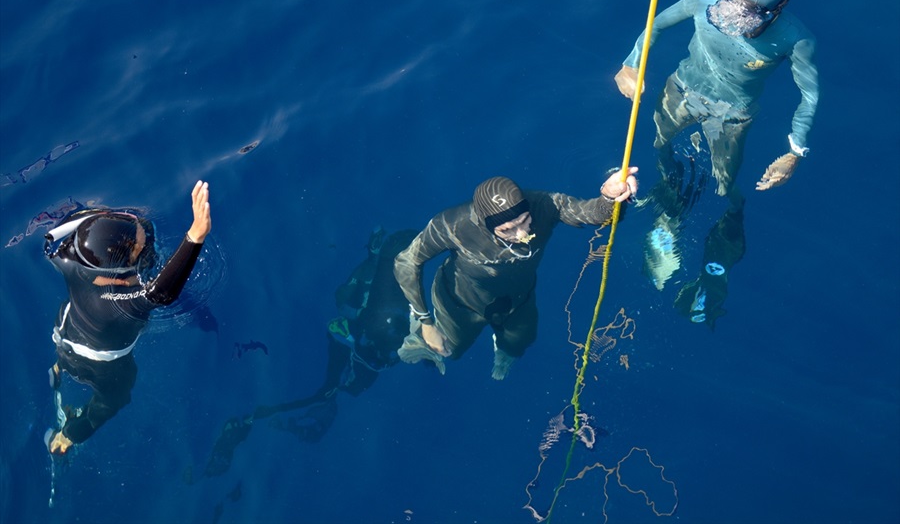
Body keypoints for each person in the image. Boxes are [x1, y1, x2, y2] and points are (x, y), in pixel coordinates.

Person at [614, 0, 818, 328]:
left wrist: (794, 152)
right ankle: (668, 203)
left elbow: (810, 94)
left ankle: (722, 249)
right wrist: (630, 64)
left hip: (732, 115)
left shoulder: (795, 38)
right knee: (661, 147)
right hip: (681, 89)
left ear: (775, 12)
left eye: (746, 14)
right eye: (731, 5)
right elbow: (656, 25)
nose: (732, 18)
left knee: (727, 187)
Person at [200, 227, 416, 478]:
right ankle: (259, 423)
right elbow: (343, 302)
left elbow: (342, 301)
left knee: (332, 390)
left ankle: (258, 423)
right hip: (353, 348)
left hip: (352, 348)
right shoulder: (377, 275)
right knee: (333, 391)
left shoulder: (373, 273)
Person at [394, 169, 638, 380]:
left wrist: (609, 197)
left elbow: (591, 214)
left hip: (518, 300)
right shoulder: (453, 226)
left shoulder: (545, 205)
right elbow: (405, 262)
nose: (522, 234)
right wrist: (426, 322)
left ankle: (502, 349)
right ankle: (416, 328)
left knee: (520, 343)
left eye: (524, 220)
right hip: (460, 303)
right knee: (450, 351)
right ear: (486, 224)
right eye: (507, 229)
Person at [43, 180, 212, 455]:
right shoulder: (116, 305)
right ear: (119, 267)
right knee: (115, 400)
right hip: (104, 366)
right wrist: (195, 236)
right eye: (139, 248)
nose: (145, 247)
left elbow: (51, 237)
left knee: (67, 350)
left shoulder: (68, 259)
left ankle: (60, 366)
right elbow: (161, 294)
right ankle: (69, 436)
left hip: (65, 329)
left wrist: (103, 218)